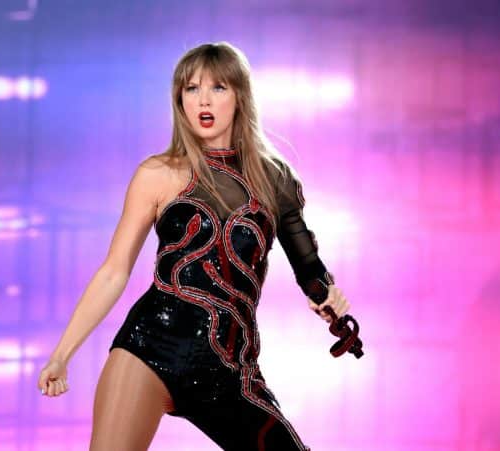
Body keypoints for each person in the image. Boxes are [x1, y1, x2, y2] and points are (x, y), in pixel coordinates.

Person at [37, 41, 352, 451]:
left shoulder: (276, 179)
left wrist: (327, 299)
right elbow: (114, 272)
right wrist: (62, 354)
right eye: (191, 88)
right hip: (150, 347)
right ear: (179, 99)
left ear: (240, 96)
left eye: (218, 87)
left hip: (230, 367)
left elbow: (309, 268)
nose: (203, 100)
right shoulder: (158, 174)